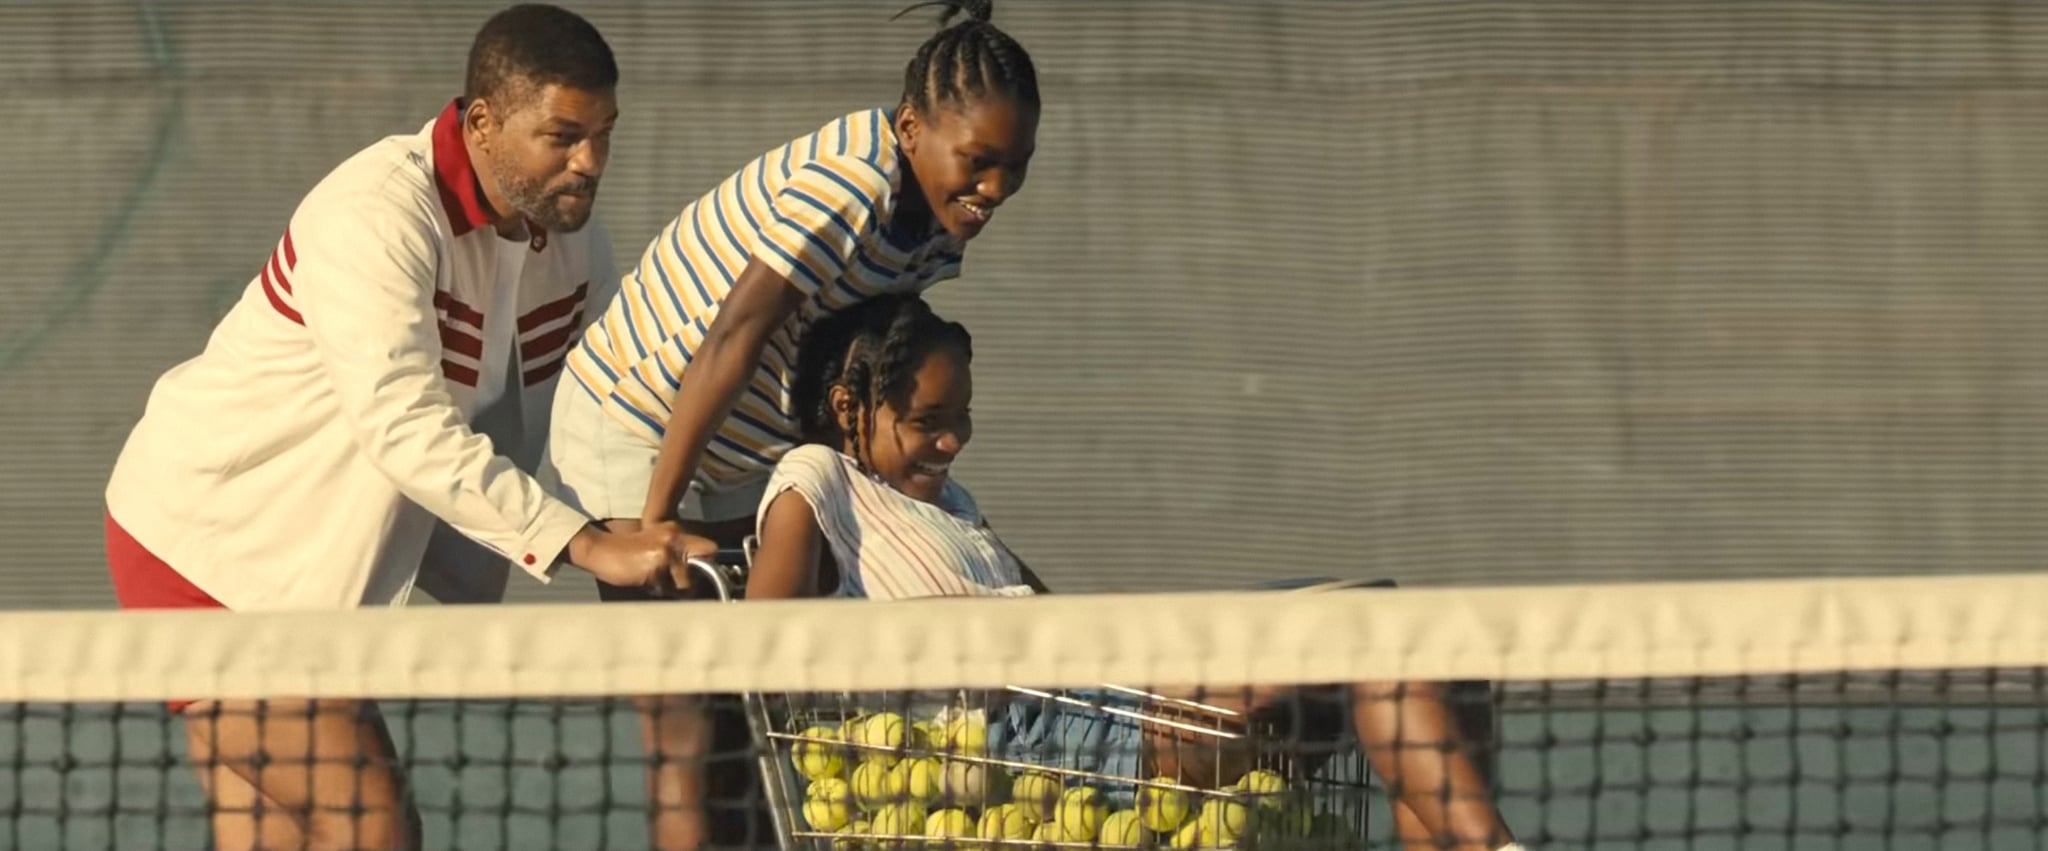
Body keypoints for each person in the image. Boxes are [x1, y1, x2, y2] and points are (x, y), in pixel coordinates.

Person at [101, 6, 700, 849]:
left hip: (305, 588)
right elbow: (404, 424)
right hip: (209, 550)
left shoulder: (572, 244)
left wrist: (669, 520)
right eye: (562, 135)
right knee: (374, 827)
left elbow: (616, 394)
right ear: (483, 122)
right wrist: (580, 541)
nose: (589, 162)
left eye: (603, 134)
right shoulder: (375, 215)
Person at [743, 294, 1524, 851]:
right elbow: (765, 649)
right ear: (848, 406)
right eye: (927, 423)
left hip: (1094, 687)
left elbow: (1049, 617)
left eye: (962, 419)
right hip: (1025, 739)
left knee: (1415, 641)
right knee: (1360, 654)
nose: (952, 442)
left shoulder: (950, 502)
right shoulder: (817, 476)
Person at [539, 1, 1039, 845]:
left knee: (761, 706)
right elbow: (735, 335)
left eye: (1014, 168)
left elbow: (861, 361)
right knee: (687, 719)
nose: (993, 189)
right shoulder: (848, 185)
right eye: (980, 162)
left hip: (748, 441)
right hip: (633, 420)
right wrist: (656, 519)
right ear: (912, 127)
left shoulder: (939, 223)